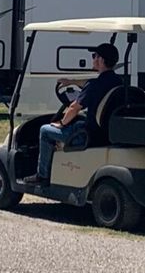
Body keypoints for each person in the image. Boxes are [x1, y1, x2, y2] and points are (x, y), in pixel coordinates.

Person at [36, 42, 123, 184]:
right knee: (79, 122)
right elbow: (91, 84)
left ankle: (42, 175)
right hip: (105, 132)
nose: (93, 58)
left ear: (101, 60)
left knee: (45, 131)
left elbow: (75, 107)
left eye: (94, 56)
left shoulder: (94, 86)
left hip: (89, 136)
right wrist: (72, 82)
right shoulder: (117, 81)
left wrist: (61, 123)